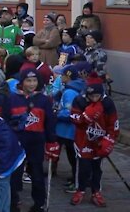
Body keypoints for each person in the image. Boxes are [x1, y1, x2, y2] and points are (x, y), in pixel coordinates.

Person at [8, 68, 59, 212]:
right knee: (15, 174)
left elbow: (49, 121)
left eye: (34, 80)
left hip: (36, 141)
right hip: (18, 141)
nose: (31, 84)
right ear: (22, 82)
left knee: (37, 173)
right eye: (28, 80)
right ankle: (13, 201)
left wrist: (52, 141)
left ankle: (39, 203)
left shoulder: (43, 100)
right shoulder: (13, 99)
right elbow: (7, 120)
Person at [70, 73, 119, 207]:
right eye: (91, 96)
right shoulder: (79, 100)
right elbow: (73, 118)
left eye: (97, 96)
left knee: (97, 168)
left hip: (100, 140)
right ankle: (80, 190)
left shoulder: (107, 103)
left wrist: (110, 139)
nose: (94, 98)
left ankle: (96, 191)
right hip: (83, 139)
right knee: (84, 167)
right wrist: (85, 117)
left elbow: (113, 123)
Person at [54, 65, 85, 193]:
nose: (60, 77)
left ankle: (77, 182)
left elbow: (70, 112)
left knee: (73, 158)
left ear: (67, 77)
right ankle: (74, 179)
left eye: (62, 75)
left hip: (69, 130)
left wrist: (57, 113)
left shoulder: (69, 92)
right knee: (72, 157)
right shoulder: (70, 89)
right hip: (68, 131)